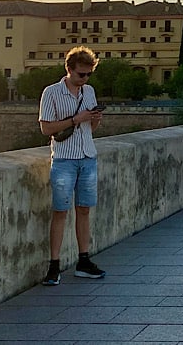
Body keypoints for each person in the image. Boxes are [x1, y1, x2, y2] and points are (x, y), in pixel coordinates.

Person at [38, 46, 106, 285]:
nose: (85, 79)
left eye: (88, 74)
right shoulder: (51, 93)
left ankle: (83, 260)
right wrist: (76, 119)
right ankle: (54, 265)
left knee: (84, 210)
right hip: (65, 158)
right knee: (60, 211)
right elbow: (46, 128)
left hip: (87, 156)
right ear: (69, 70)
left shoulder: (89, 92)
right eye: (81, 74)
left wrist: (94, 120)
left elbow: (91, 130)